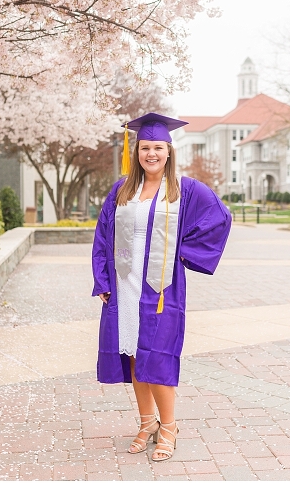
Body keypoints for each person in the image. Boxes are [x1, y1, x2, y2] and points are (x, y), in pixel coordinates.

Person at [91, 112, 231, 461]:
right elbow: (102, 236)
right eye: (144, 147)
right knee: (136, 355)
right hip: (125, 284)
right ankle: (146, 422)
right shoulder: (121, 189)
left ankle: (169, 426)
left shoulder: (185, 190)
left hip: (161, 287)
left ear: (169, 152)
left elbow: (220, 218)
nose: (150, 153)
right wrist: (103, 279)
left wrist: (184, 254)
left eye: (157, 147)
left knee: (159, 356)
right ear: (136, 151)